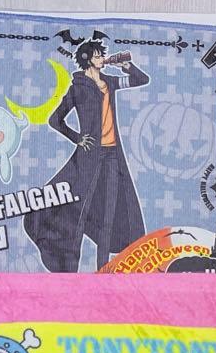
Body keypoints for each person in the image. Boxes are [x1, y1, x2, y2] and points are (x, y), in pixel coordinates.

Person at [24, 39, 148, 271]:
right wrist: (77, 138)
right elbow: (55, 120)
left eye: (101, 54)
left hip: (112, 156)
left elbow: (142, 80)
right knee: (79, 213)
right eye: (98, 55)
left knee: (108, 215)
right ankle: (71, 270)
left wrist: (127, 66)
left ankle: (103, 269)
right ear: (87, 59)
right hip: (88, 159)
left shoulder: (110, 82)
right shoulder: (78, 88)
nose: (102, 58)